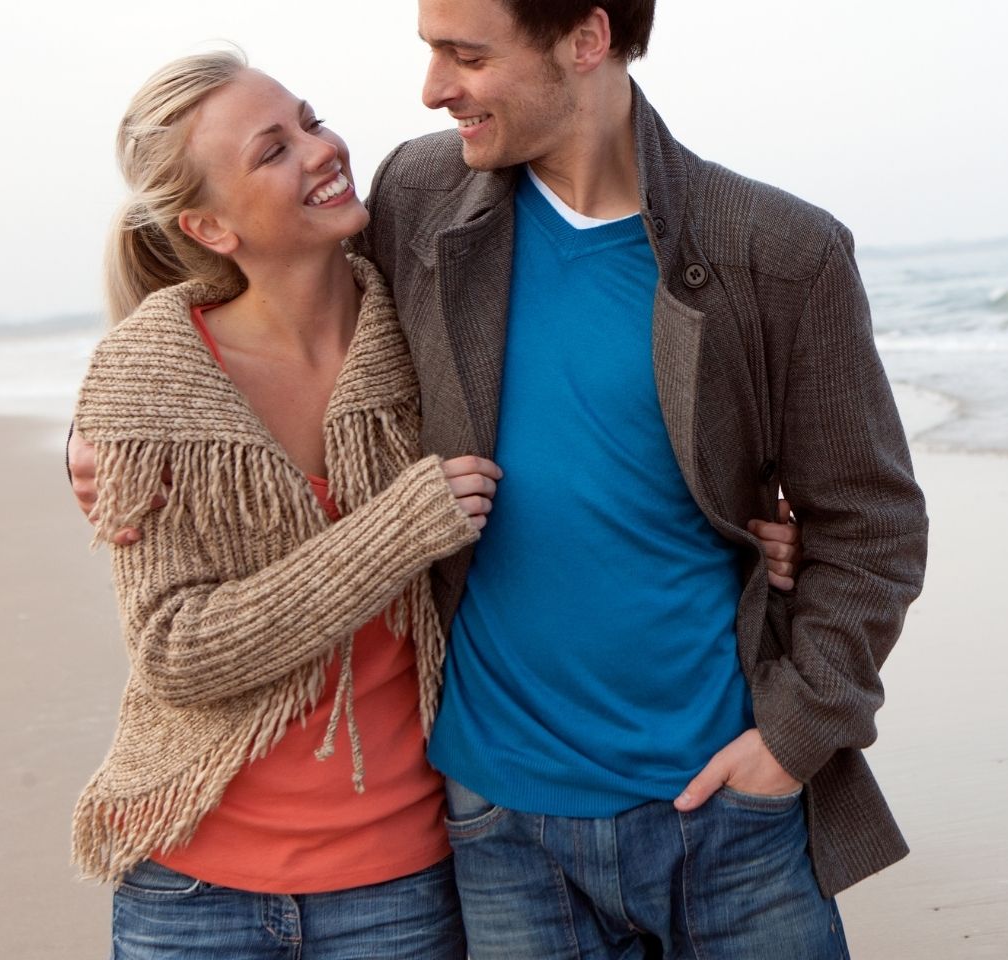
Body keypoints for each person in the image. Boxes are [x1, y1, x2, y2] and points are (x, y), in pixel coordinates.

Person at [66, 49, 801, 959]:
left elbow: (593, 447)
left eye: (309, 118)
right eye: (273, 150)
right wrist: (397, 530)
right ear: (209, 226)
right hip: (192, 879)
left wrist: (748, 530)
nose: (321, 148)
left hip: (400, 876)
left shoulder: (424, 322)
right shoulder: (154, 381)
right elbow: (176, 654)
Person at [355, 0, 930, 955]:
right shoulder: (420, 194)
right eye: (430, 53)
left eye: (465, 55)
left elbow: (870, 526)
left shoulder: (778, 251)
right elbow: (274, 312)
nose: (433, 89)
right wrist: (116, 418)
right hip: (500, 824)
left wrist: (792, 740)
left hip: (731, 816)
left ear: (585, 39)